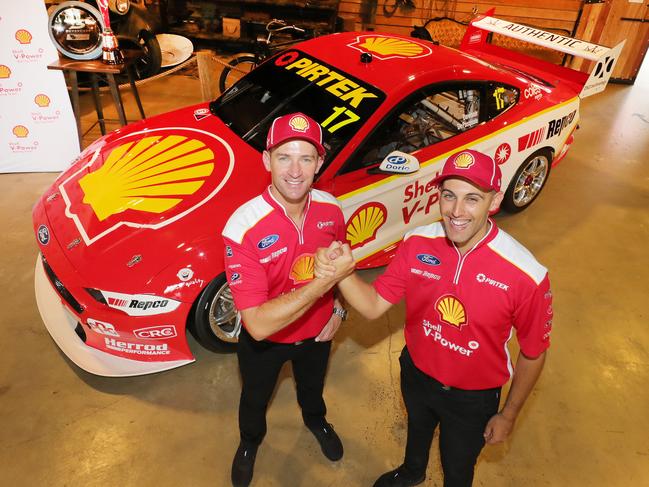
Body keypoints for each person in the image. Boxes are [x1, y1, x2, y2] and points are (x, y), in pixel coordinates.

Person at [315, 149, 553, 487]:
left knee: (457, 469)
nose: (457, 212)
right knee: (417, 431)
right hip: (417, 373)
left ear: (495, 199)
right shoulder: (416, 244)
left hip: (473, 397)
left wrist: (509, 413)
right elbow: (371, 306)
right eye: (449, 196)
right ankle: (413, 471)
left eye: (473, 198)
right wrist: (342, 274)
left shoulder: (526, 275)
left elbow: (533, 352)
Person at [222, 112, 348, 487]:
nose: (295, 170)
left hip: (318, 332)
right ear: (266, 160)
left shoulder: (331, 209)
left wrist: (339, 308)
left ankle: (316, 421)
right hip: (267, 344)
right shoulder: (243, 227)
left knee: (312, 388)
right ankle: (249, 443)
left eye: (306, 158)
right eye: (284, 157)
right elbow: (257, 325)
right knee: (255, 398)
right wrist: (320, 286)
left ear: (319, 163)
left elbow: (342, 261)